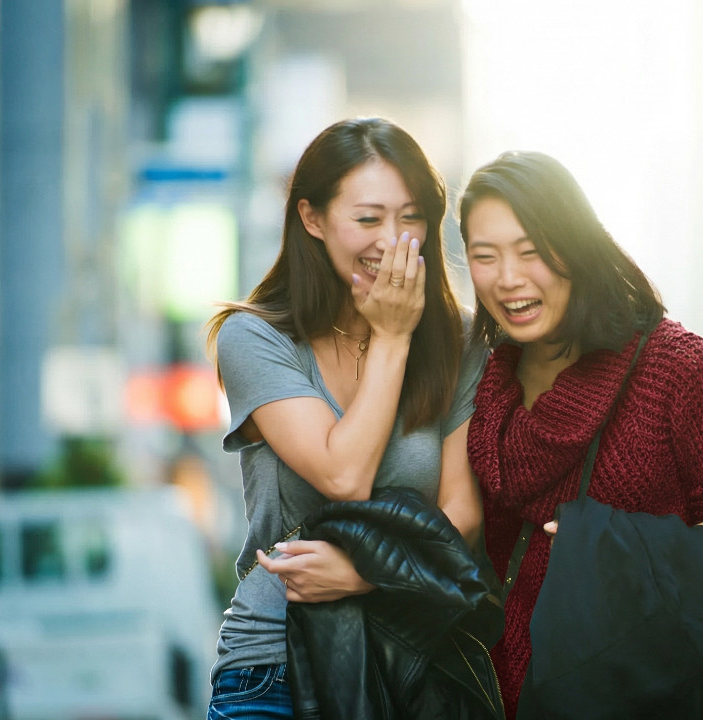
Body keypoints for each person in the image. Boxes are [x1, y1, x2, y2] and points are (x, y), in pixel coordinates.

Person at [459, 150, 703, 718]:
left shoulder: (675, 365)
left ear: (577, 246)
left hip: (643, 692)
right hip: (506, 696)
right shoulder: (482, 380)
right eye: (485, 257)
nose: (508, 279)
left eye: (531, 251)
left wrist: (616, 551)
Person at [202, 117, 490, 718]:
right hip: (273, 666)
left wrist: (365, 572)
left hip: (414, 662)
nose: (393, 239)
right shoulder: (256, 337)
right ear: (311, 219)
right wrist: (391, 338)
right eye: (368, 219)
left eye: (411, 217)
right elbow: (343, 475)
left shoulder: (461, 338)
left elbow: (461, 514)